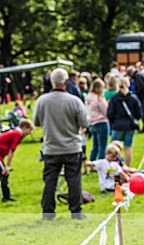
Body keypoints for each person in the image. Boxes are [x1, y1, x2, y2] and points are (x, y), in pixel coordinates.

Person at [34, 67, 90, 220]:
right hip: (72, 147)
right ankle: (76, 211)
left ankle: (48, 213)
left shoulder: (42, 101)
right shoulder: (74, 101)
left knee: (50, 181)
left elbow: (36, 122)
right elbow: (85, 122)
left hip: (51, 147)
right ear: (66, 82)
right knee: (74, 180)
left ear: (51, 81)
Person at [0, 118, 33, 202]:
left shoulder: (13, 132)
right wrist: (7, 166)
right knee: (4, 174)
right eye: (29, 130)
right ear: (25, 127)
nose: (29, 133)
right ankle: (6, 197)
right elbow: (11, 151)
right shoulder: (17, 134)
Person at [107, 77, 141, 167]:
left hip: (118, 125)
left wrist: (113, 122)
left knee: (114, 148)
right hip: (130, 125)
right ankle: (127, 166)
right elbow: (139, 113)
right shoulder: (133, 98)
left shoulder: (114, 99)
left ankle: (114, 166)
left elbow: (110, 113)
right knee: (128, 147)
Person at [85, 79, 110, 163]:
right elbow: (105, 111)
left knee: (95, 146)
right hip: (101, 122)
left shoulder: (88, 97)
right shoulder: (99, 98)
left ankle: (92, 162)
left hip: (92, 122)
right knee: (102, 146)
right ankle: (101, 163)